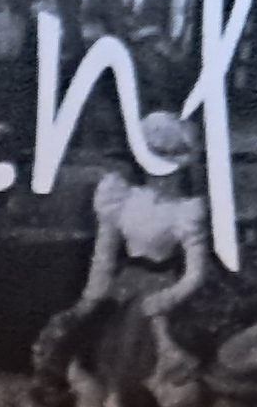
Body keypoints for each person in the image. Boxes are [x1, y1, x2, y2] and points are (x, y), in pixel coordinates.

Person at [79, 109, 212, 392]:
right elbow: (104, 255)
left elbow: (196, 274)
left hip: (163, 288)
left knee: (151, 361)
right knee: (105, 352)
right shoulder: (122, 198)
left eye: (169, 166)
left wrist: (169, 297)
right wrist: (92, 296)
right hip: (124, 287)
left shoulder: (185, 211)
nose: (161, 175)